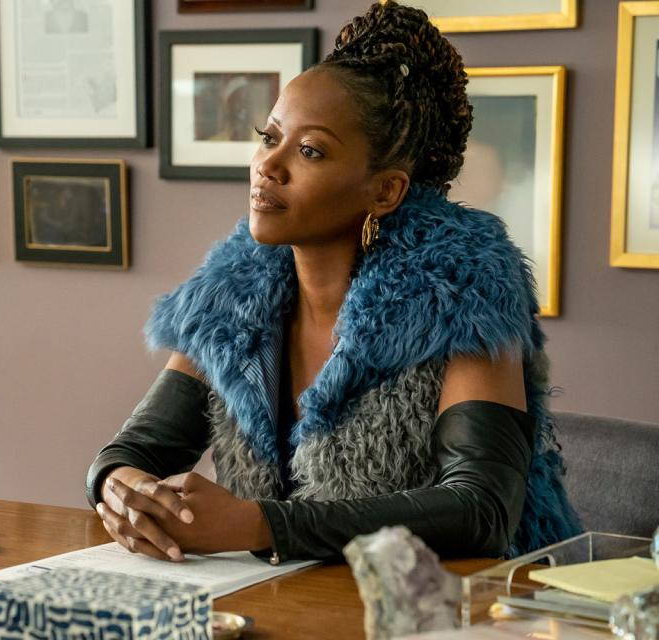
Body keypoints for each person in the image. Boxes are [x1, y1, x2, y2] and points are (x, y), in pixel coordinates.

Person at [86, 1, 581, 564]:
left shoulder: (459, 290)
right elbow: (138, 450)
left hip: (460, 609)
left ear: (385, 191)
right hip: (282, 605)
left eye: (310, 150)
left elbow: (481, 510)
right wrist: (119, 487)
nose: (268, 165)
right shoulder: (231, 294)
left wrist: (260, 525)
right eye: (267, 136)